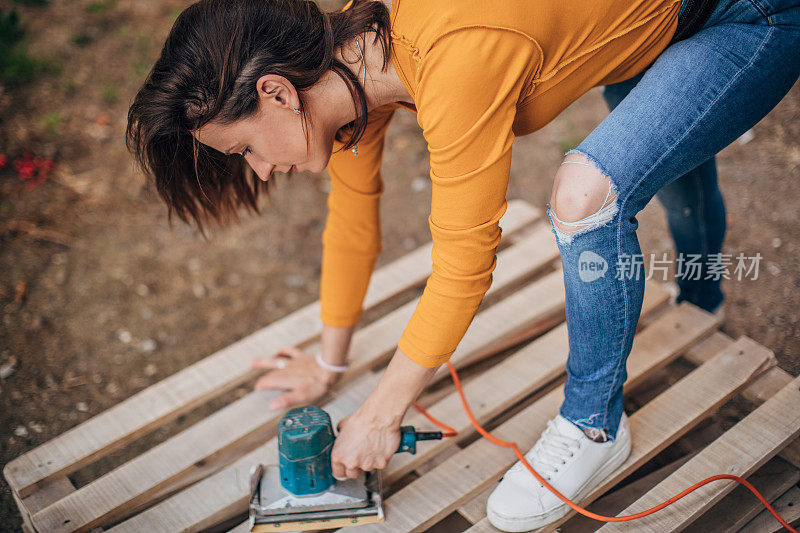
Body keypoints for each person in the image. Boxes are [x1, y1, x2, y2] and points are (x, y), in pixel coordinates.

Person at [125, 0, 800, 529]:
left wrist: (383, 412)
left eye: (244, 148)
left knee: (585, 193)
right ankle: (703, 307)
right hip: (655, 21)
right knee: (674, 168)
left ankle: (595, 424)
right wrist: (330, 362)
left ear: (275, 91)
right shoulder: (358, 60)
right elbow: (353, 221)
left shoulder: (451, 53)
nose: (263, 170)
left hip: (751, 14)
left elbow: (465, 261)